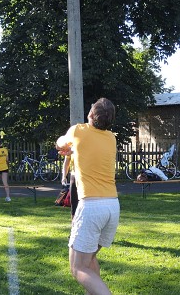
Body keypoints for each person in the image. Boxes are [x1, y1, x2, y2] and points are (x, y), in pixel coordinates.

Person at [56, 98, 119, 295]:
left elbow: (60, 143)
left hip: (91, 207)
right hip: (112, 207)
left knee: (78, 268)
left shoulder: (77, 131)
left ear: (91, 114)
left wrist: (65, 147)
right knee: (89, 259)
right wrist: (71, 149)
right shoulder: (111, 138)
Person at [61, 154, 78, 219]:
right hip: (75, 176)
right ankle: (73, 224)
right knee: (74, 202)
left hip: (87, 178)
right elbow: (66, 162)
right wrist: (64, 176)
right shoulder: (71, 146)